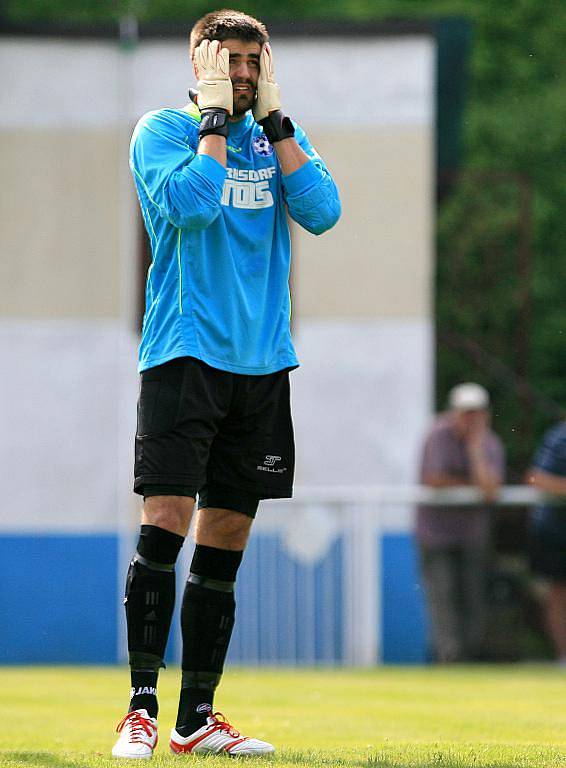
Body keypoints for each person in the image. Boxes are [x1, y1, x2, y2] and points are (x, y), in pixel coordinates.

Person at [111, 9, 341, 759]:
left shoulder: (278, 139)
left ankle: (195, 718)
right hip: (183, 355)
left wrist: (275, 126)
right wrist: (213, 117)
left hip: (262, 366)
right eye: (229, 60)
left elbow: (324, 213)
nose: (243, 73)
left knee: (227, 538)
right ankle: (141, 710)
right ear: (202, 60)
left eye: (253, 60)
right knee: (167, 521)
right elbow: (188, 205)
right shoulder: (162, 132)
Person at [416, 382, 505, 662]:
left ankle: (469, 657)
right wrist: (471, 484)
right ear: (454, 412)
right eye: (467, 412)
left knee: (473, 598)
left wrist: (475, 448)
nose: (472, 419)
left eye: (477, 413)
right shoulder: (437, 434)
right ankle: (448, 658)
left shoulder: (489, 442)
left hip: (472, 535)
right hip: (435, 534)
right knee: (443, 597)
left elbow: (490, 491)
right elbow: (433, 479)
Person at [527, 420, 566, 665]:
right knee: (558, 593)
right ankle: (564, 656)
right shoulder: (560, 437)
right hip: (556, 531)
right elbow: (535, 478)